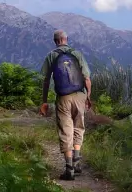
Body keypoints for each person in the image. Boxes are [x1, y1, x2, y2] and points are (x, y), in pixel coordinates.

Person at [39, 30, 92, 181]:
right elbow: (87, 78)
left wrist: (44, 101)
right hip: (80, 96)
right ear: (66, 39)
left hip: (63, 98)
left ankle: (69, 168)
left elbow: (45, 80)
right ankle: (77, 161)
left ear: (55, 41)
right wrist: (88, 96)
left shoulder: (51, 56)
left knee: (65, 130)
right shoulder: (77, 54)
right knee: (78, 127)